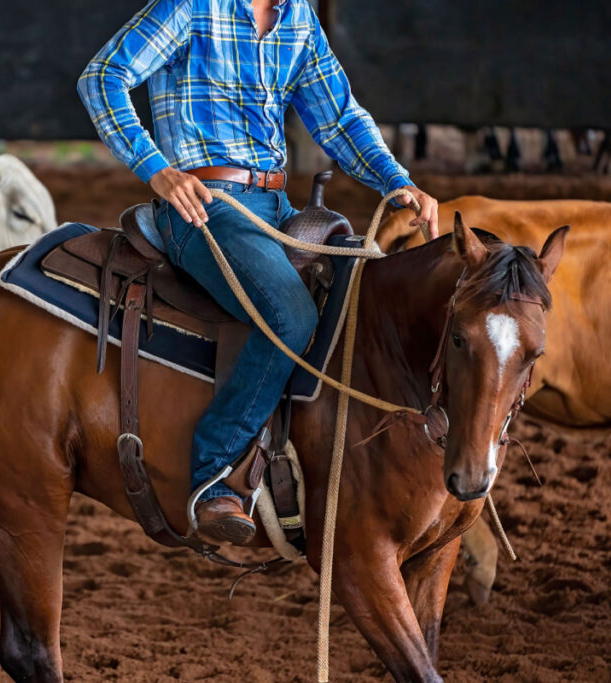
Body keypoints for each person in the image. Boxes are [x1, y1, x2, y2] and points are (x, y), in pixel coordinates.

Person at [79, 0, 439, 545]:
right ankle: (215, 472)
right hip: (204, 206)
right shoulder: (192, 7)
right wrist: (157, 170)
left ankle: (316, 463)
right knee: (290, 316)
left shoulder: (297, 18)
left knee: (357, 290)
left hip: (276, 206)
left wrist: (395, 180)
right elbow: (104, 77)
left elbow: (338, 116)